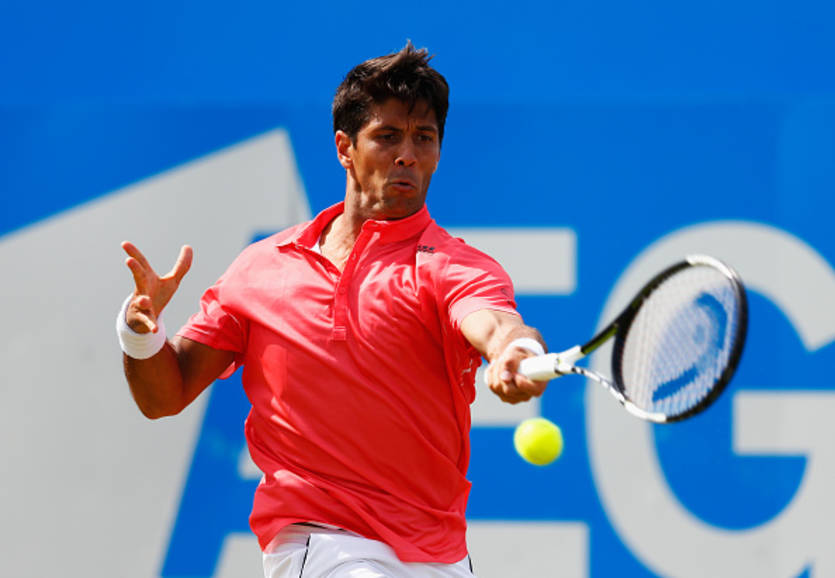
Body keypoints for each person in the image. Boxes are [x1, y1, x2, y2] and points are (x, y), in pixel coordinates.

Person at [117, 42, 549, 578]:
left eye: (424, 137)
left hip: (437, 553)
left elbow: (493, 321)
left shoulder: (454, 265)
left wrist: (513, 348)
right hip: (319, 542)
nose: (408, 155)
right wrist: (141, 335)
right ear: (345, 147)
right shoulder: (261, 268)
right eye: (387, 137)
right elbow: (166, 394)